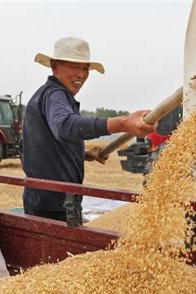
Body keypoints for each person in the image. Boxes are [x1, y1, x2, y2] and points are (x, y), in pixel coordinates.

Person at [22, 37, 155, 226]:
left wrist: (84, 154)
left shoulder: (49, 95)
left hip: (48, 199)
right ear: (55, 66)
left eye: (85, 68)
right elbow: (65, 127)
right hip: (54, 203)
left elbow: (46, 145)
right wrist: (123, 123)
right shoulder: (55, 94)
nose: (81, 74)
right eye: (74, 66)